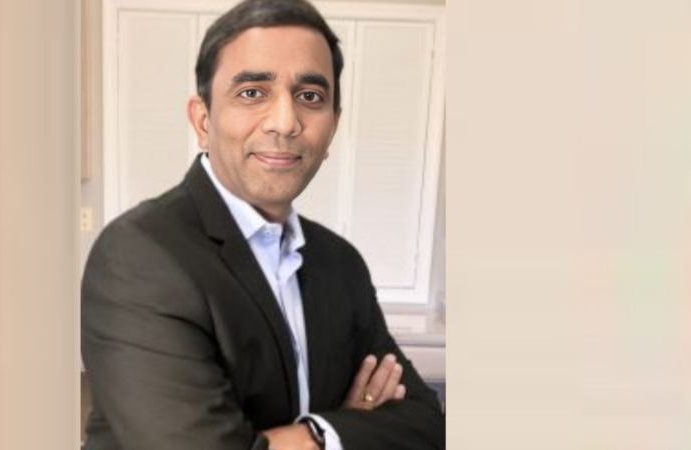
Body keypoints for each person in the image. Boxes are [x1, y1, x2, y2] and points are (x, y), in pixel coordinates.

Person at [81, 0, 445, 448]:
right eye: (252, 93)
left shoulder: (340, 263)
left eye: (310, 97)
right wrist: (344, 431)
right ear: (202, 119)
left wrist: (313, 434)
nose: (285, 123)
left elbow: (428, 423)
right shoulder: (139, 257)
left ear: (333, 127)